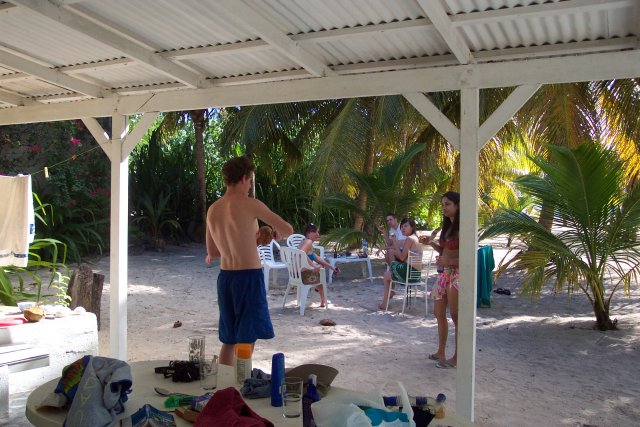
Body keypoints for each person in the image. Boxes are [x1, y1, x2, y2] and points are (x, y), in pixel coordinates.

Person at [205, 156, 293, 366]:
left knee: (229, 339)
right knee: (247, 338)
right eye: (250, 180)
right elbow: (288, 229)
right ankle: (241, 381)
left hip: (225, 278)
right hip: (249, 278)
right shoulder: (251, 204)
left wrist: (248, 240)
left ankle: (225, 382)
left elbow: (213, 251)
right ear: (244, 178)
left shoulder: (213, 209)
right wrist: (275, 234)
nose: (250, 185)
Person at [419, 191, 459, 369]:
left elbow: (469, 257)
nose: (444, 207)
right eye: (443, 204)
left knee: (456, 316)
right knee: (438, 312)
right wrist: (431, 243)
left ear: (458, 205)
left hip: (458, 273)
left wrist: (449, 261)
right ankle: (441, 351)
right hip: (444, 273)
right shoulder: (447, 227)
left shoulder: (462, 228)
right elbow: (445, 251)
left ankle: (457, 357)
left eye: (448, 204)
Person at [378, 217, 422, 310]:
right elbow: (396, 246)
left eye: (406, 226)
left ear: (412, 227)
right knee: (391, 254)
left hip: (410, 274)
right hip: (416, 274)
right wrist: (385, 247)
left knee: (386, 275)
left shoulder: (409, 239)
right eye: (402, 226)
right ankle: (392, 277)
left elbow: (402, 257)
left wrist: (393, 242)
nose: (403, 228)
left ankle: (385, 303)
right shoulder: (414, 238)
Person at [298, 222, 339, 307]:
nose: (317, 234)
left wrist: (330, 266)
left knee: (321, 267)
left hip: (298, 275)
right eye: (314, 232)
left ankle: (323, 300)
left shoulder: (306, 242)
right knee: (320, 271)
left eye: (317, 231)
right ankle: (322, 297)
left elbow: (317, 258)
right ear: (308, 233)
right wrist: (314, 266)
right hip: (303, 276)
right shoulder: (308, 242)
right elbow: (301, 253)